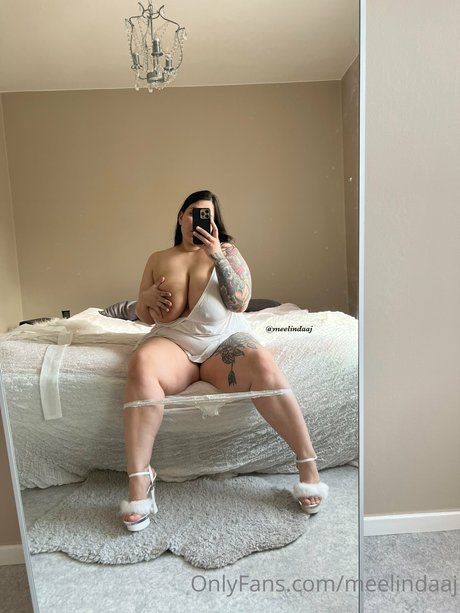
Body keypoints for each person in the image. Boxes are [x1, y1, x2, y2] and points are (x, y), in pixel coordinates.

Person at [120, 190, 328, 531]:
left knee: (262, 362)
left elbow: (241, 302)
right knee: (142, 363)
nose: (200, 220)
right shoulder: (158, 257)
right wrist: (144, 298)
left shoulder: (227, 251)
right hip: (174, 344)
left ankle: (308, 465)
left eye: (208, 215)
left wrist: (217, 254)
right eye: (194, 212)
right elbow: (145, 316)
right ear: (181, 216)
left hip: (223, 342)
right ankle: (140, 479)